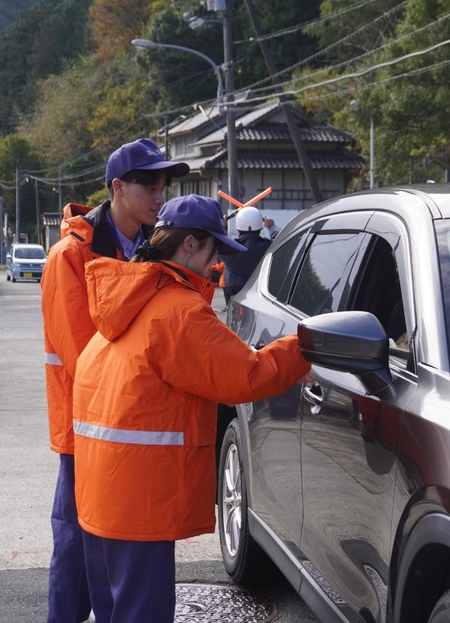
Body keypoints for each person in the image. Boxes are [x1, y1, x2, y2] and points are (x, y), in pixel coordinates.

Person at [72, 195, 311, 622]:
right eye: (213, 250)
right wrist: (307, 346)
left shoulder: (124, 299)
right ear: (188, 246)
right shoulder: (179, 314)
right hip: (139, 507)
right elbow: (247, 377)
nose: (216, 263)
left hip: (100, 499)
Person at [41, 137, 188, 623]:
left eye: (163, 183)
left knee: (123, 549)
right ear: (118, 187)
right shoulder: (70, 256)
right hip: (84, 429)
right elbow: (85, 355)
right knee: (77, 541)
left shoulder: (154, 249)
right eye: (149, 183)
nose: (159, 192)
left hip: (134, 427)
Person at [222, 206, 274, 304]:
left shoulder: (229, 249)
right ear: (260, 228)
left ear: (238, 228)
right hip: (262, 300)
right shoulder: (268, 247)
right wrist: (271, 226)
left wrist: (222, 227)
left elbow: (217, 241)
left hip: (235, 301)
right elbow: (281, 240)